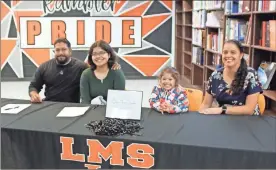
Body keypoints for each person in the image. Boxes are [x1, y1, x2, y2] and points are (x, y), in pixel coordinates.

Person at [29, 38, 120, 103]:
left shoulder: (81, 67)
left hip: (72, 107)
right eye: (57, 50)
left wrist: (111, 66)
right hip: (49, 104)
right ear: (54, 52)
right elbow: (33, 86)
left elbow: (98, 72)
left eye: (64, 49)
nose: (60, 52)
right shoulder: (44, 67)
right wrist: (33, 94)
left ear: (70, 51)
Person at [199, 39, 263, 115]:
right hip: (224, 119)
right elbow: (206, 104)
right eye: (225, 52)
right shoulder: (215, 75)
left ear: (241, 55)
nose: (228, 55)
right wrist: (198, 118)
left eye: (233, 52)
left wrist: (222, 110)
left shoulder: (251, 75)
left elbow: (249, 109)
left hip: (247, 120)